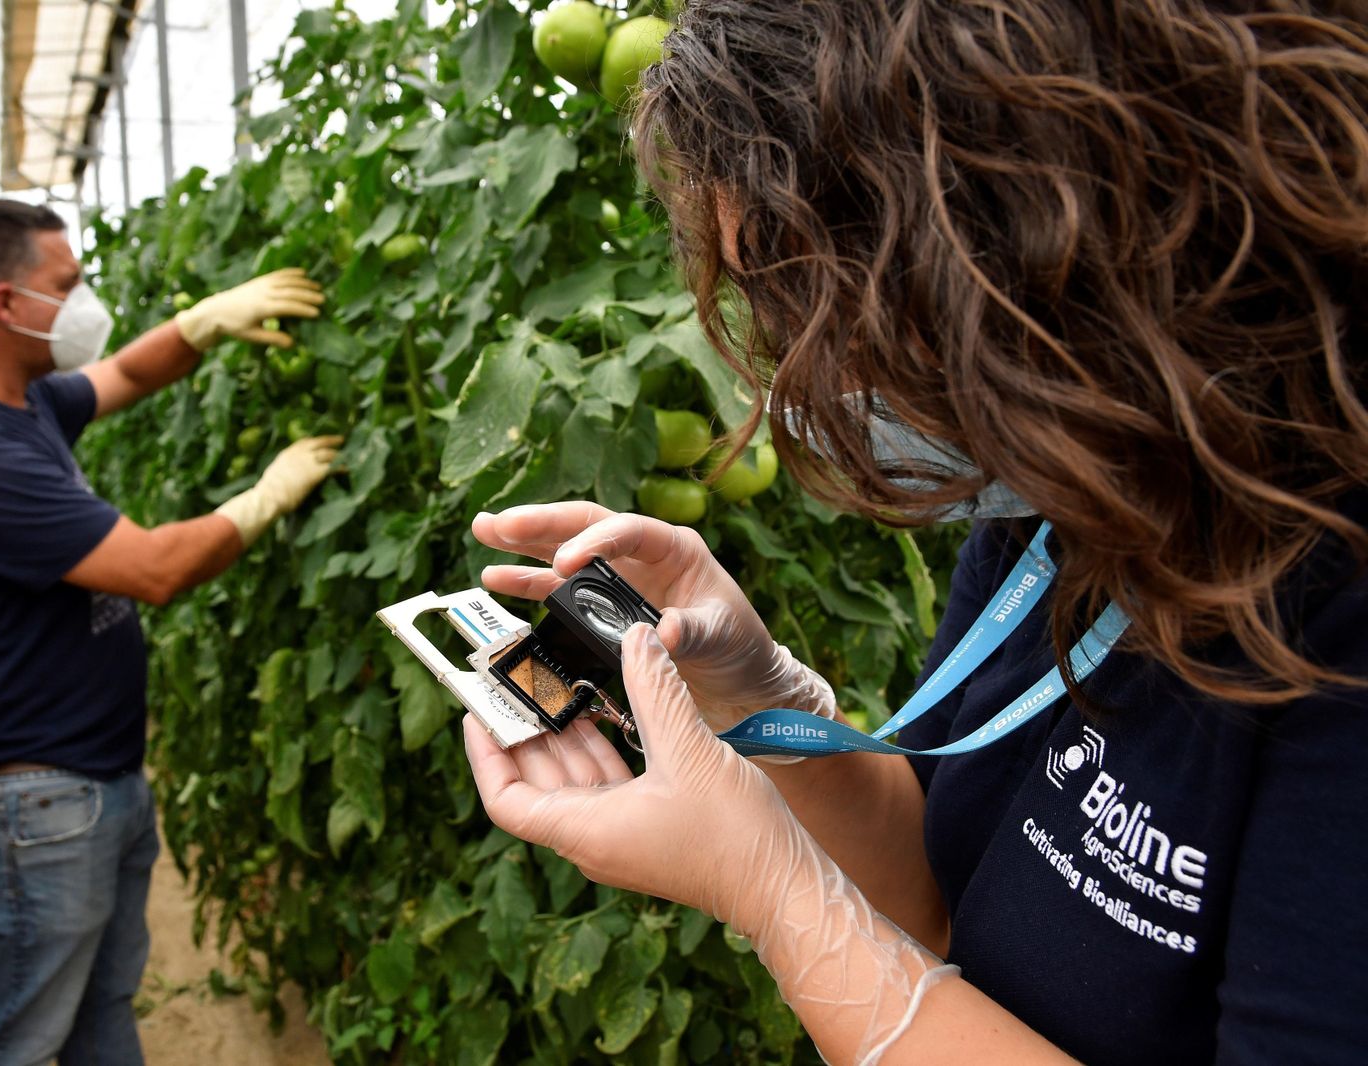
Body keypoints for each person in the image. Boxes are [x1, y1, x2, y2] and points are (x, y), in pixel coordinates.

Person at [463, 2, 1368, 1063]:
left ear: (1026, 240)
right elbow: (942, 895)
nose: (810, 372)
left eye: (826, 302)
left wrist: (774, 894)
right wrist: (761, 696)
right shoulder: (1065, 486)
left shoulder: (1335, 608)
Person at [0, 199, 341, 1065]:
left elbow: (122, 374)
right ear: (7, 304)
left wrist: (203, 324)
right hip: (28, 808)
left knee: (100, 1024)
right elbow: (156, 569)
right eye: (69, 286)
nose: (87, 303)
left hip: (82, 790)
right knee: (9, 1044)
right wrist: (265, 495)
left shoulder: (18, 405)